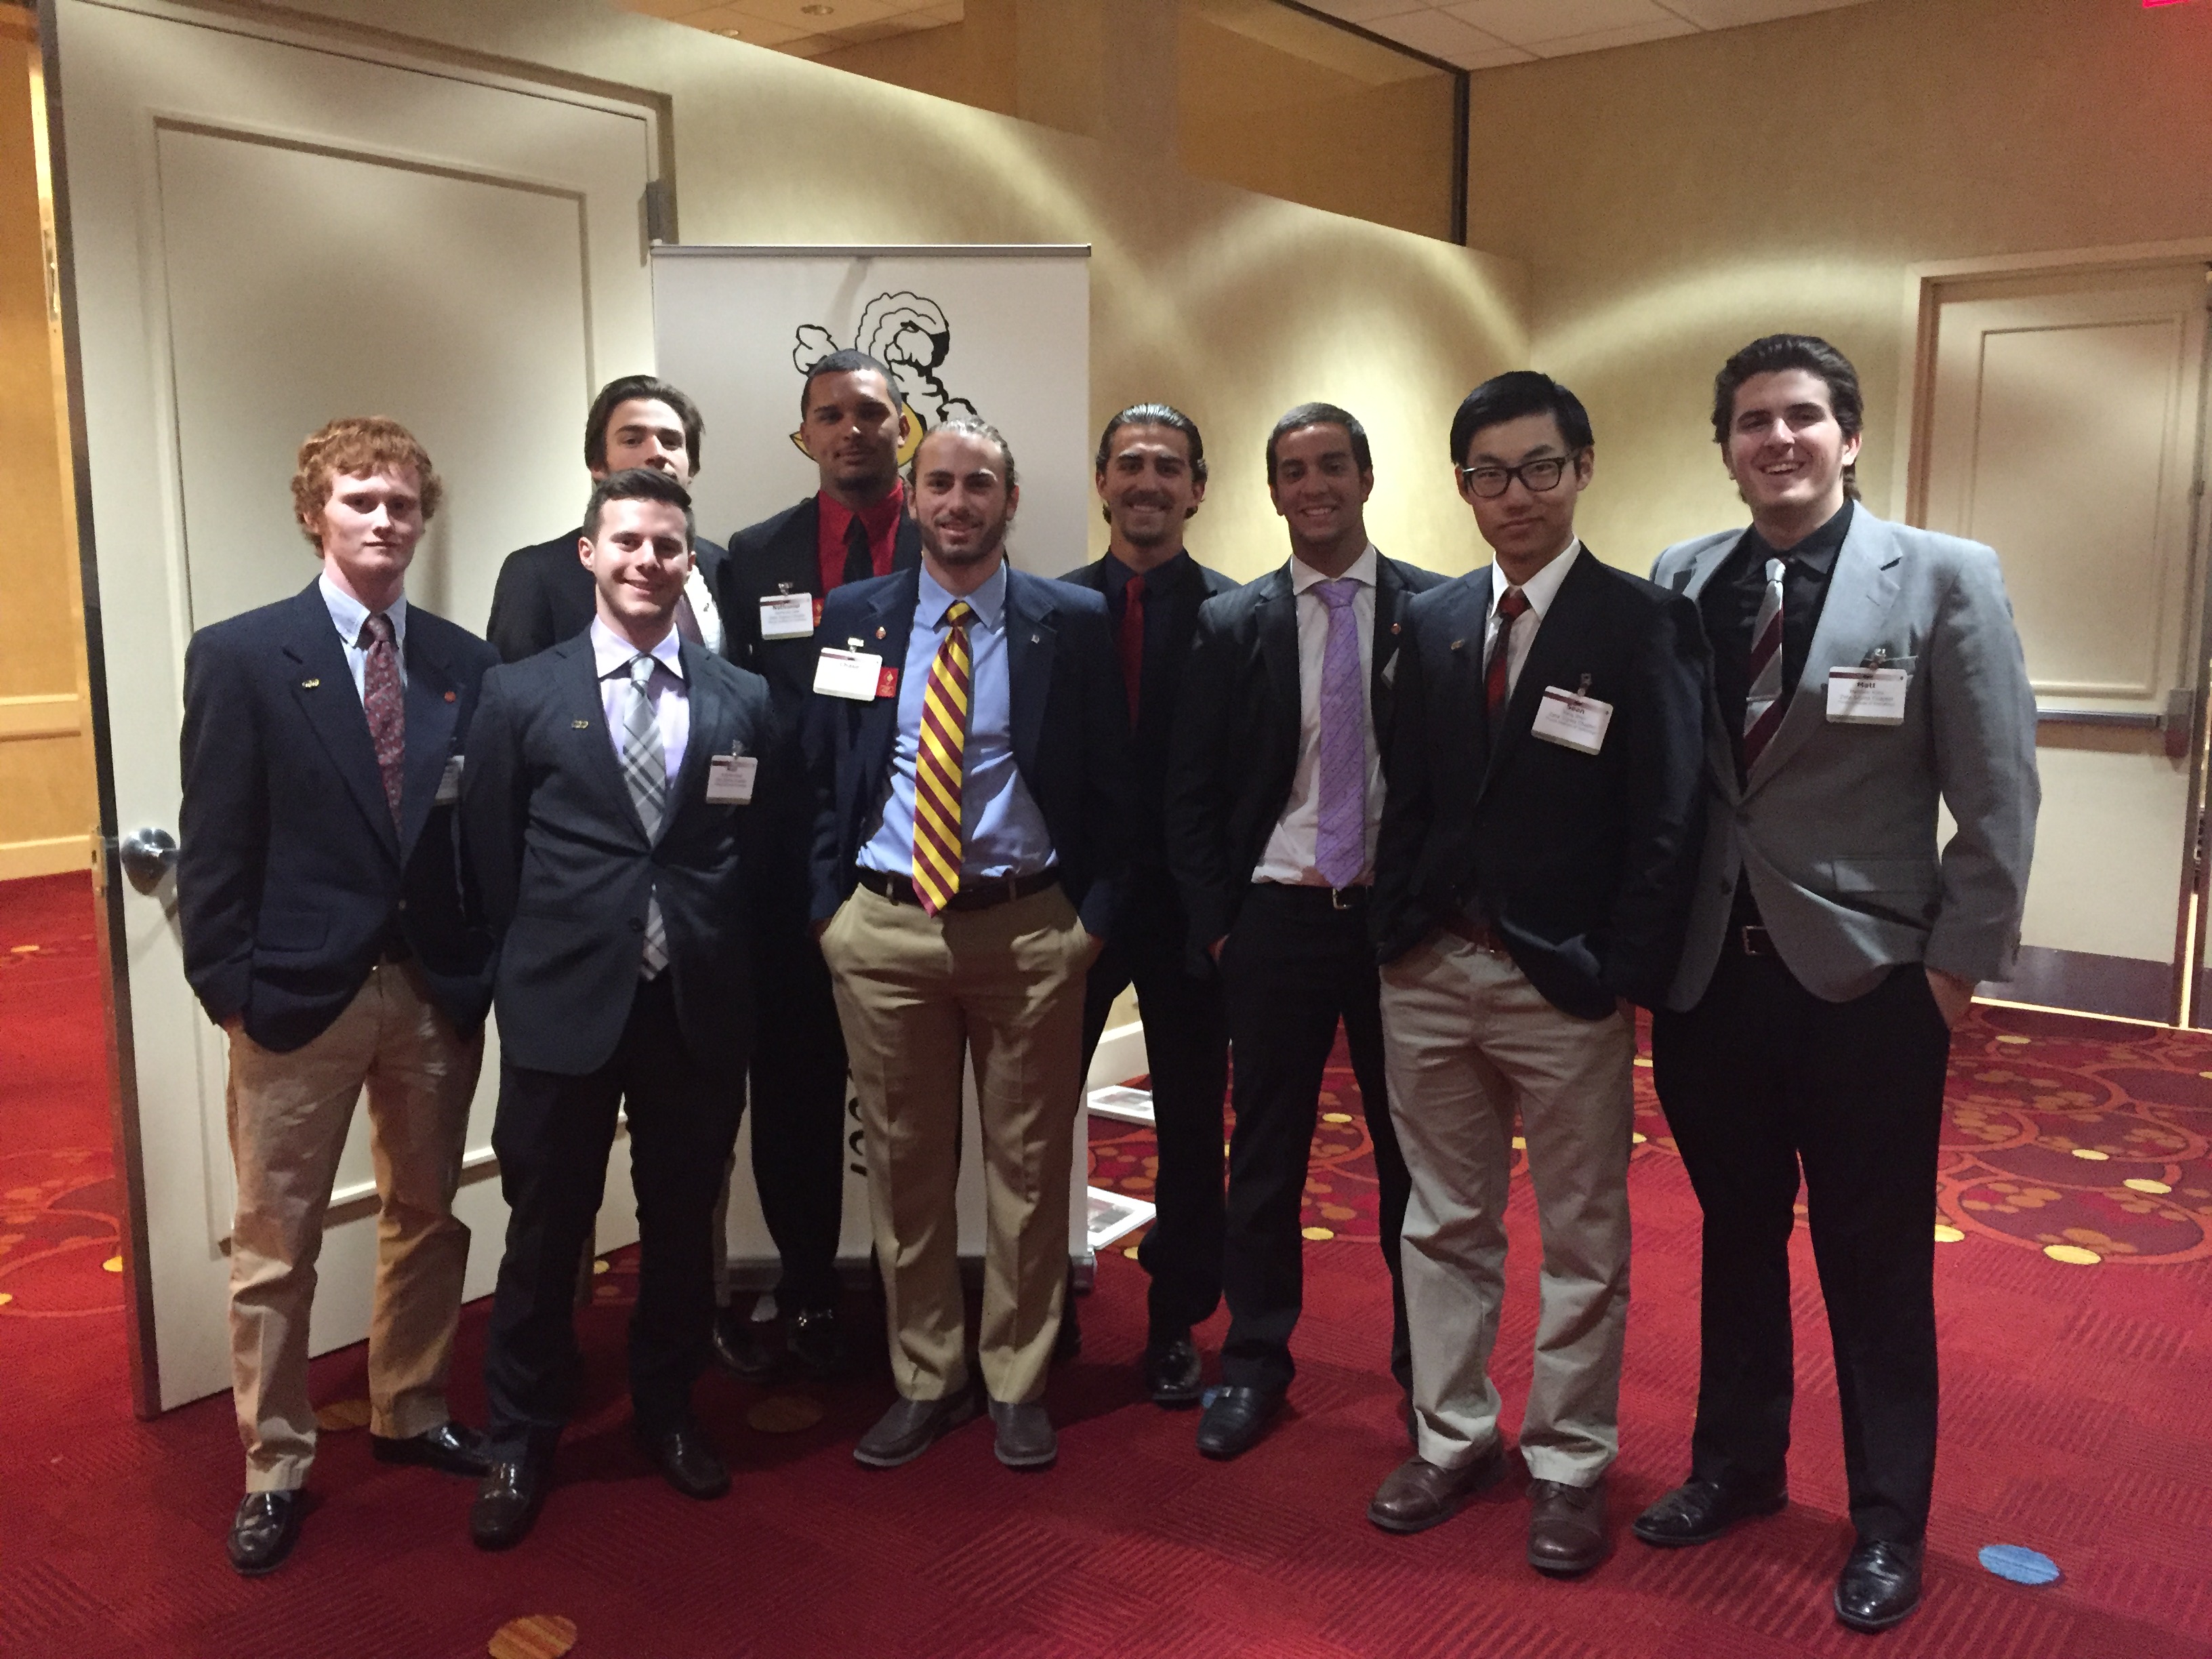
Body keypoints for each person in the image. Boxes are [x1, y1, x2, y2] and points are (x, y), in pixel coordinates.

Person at [1635, 335, 2039, 1633]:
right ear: (1725, 446)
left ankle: (1884, 1521)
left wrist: (1950, 977)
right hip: (1712, 987)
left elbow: (1995, 796)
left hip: (1867, 989)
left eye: (1802, 417)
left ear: (1847, 436)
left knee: (1870, 1264)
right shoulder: (1680, 577)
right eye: (1751, 421)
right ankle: (1737, 1467)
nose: (1777, 439)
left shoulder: (1941, 578)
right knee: (1735, 1240)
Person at [1366, 373, 1708, 1572]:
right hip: (1427, 973)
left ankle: (1566, 1459)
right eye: (1488, 474)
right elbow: (1406, 792)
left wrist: (1620, 967)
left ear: (1580, 469)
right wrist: (1393, 928)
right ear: (1462, 485)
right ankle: (1452, 1434)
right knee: (1443, 1220)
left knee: (1581, 1233)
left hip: (1562, 987)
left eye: (1538, 467)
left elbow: (1666, 819)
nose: (1513, 494)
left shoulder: (1640, 621)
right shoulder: (1438, 617)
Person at [177, 417, 497, 1576]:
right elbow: (216, 844)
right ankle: (274, 1460)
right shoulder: (240, 654)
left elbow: (481, 840)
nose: (384, 519)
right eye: (361, 499)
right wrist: (229, 990)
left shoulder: (466, 661)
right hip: (292, 999)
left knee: (427, 1213)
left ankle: (410, 1408)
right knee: (277, 1239)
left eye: (403, 503)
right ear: (315, 509)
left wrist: (480, 968)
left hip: (429, 993)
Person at [462, 467, 779, 1550]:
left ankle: (668, 1407)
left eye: (669, 547)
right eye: (629, 543)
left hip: (693, 1001)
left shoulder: (741, 697)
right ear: (590, 555)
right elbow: (490, 856)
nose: (649, 562)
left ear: (691, 563)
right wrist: (534, 958)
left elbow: (754, 852)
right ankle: (522, 1433)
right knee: (545, 1229)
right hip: (563, 999)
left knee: (682, 1225)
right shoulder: (521, 694)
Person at [806, 416, 1128, 1473]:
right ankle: (924, 1376)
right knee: (906, 1170)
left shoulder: (1069, 619)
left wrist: (1092, 924)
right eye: (938, 482)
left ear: (1009, 499)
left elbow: (1115, 774)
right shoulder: (855, 616)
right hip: (888, 928)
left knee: (1031, 1172)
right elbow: (822, 769)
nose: (957, 502)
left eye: (977, 483)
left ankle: (1017, 1380)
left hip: (1029, 929)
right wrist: (830, 913)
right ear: (916, 493)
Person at [1165, 401, 1443, 1460]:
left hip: (1390, 928)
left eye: (1333, 465)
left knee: (1414, 1159)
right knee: (1267, 1159)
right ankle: (1254, 1362)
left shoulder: (1436, 611)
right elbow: (1189, 798)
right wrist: (1223, 929)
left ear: (1366, 479)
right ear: (1272, 492)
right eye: (1293, 470)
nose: (1315, 485)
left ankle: (1431, 1368)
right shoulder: (1232, 623)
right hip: (1274, 921)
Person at [712, 348, 926, 1380]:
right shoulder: (753, 558)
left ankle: (912, 1298)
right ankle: (805, 1291)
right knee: (794, 1098)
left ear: (904, 428)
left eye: (872, 413)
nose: (853, 430)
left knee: (917, 1108)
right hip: (790, 877)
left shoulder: (950, 540)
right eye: (830, 415)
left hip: (920, 867)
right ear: (805, 434)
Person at [1057, 403, 1236, 1407]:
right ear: (1103, 482)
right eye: (1130, 464)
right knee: (1038, 1121)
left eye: (1170, 467)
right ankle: (1040, 1305)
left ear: (1197, 489)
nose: (1149, 482)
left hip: (1187, 916)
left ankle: (1177, 1321)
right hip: (1072, 909)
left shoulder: (1236, 616)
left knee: (1188, 1125)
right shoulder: (1054, 608)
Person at [485, 375, 729, 663]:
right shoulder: (535, 574)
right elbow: (516, 696)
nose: (656, 453)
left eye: (671, 442)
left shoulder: (721, 567)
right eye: (633, 440)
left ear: (692, 466)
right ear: (597, 464)